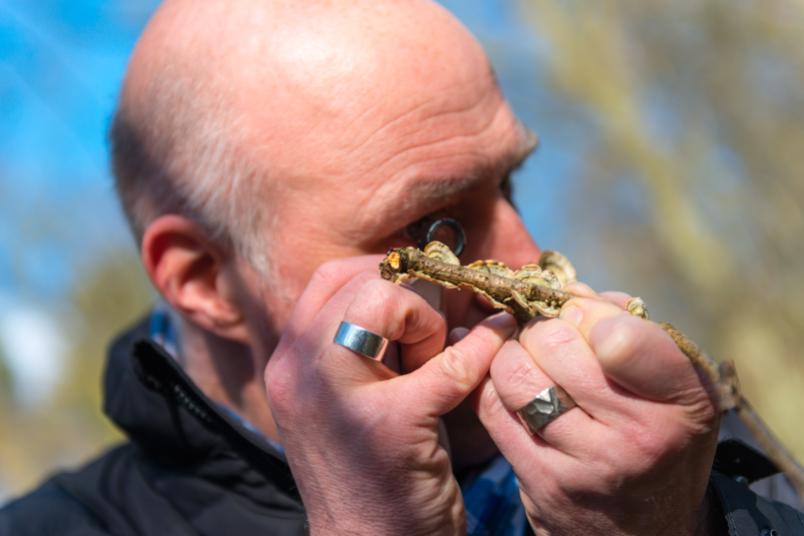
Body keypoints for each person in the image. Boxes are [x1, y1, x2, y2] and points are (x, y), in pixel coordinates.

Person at [1, 1, 802, 534]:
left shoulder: (656, 442)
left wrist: (685, 521)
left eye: (511, 182)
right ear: (205, 282)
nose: (528, 257)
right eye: (434, 229)